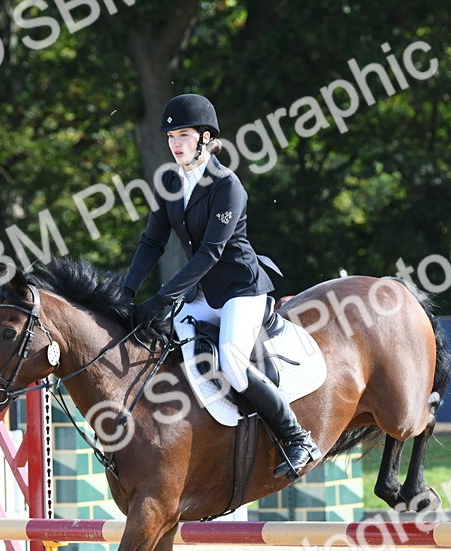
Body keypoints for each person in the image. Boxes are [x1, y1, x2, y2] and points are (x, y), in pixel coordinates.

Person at [122, 93, 321, 479]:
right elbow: (151, 243)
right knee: (166, 349)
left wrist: (162, 298)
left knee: (232, 361)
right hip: (201, 293)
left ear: (205, 137)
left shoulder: (227, 185)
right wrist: (127, 292)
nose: (175, 144)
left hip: (240, 292)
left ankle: (297, 437)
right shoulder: (169, 182)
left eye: (183, 135)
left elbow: (210, 253)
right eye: (171, 137)